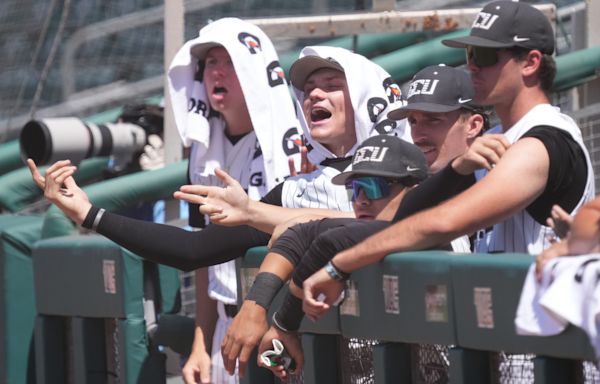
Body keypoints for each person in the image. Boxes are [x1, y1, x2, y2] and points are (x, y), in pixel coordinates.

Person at [28, 45, 409, 380]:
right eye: (308, 88)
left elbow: (356, 228)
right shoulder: (298, 188)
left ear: (364, 94)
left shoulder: (406, 175)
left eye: (331, 84)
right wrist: (90, 214)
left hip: (406, 361)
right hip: (325, 365)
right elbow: (194, 250)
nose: (314, 95)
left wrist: (255, 217)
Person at [301, 0, 595, 322]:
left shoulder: (544, 140)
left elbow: (445, 222)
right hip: (509, 331)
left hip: (554, 340)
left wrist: (340, 264)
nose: (472, 67)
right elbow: (403, 215)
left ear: (530, 63)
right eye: (469, 55)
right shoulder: (492, 141)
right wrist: (458, 169)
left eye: (484, 56)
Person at [197, 64, 492, 377]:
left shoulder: (444, 224)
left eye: (377, 187)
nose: (363, 198)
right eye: (356, 188)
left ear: (413, 189)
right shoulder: (385, 225)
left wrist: (280, 318)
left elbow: (326, 236)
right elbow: (312, 233)